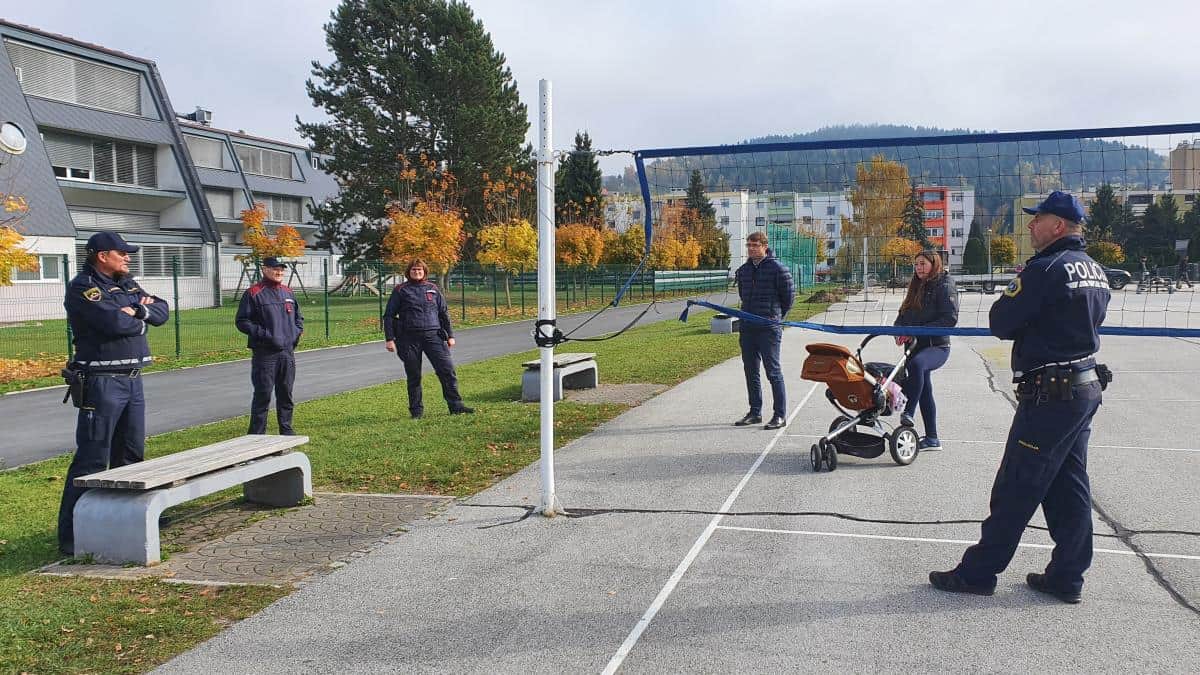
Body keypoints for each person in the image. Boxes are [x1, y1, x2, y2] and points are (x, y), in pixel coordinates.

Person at [930, 190, 1110, 603]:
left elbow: (1000, 322)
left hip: (1051, 395)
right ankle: (1067, 577)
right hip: (1082, 389)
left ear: (1058, 226)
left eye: (1038, 219)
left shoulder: (1045, 269)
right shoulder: (1094, 269)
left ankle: (979, 573)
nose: (1031, 225)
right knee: (1068, 486)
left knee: (1017, 485)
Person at [57, 232, 170, 556]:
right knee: (93, 458)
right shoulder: (84, 287)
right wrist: (139, 315)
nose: (128, 257)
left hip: (132, 380)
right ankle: (73, 534)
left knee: (131, 454)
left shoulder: (127, 284)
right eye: (122, 253)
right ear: (102, 256)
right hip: (102, 382)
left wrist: (138, 312)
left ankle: (130, 521)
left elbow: (162, 310)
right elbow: (113, 323)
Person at [383, 259, 473, 418]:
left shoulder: (433, 289)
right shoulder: (400, 290)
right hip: (408, 338)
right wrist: (389, 339)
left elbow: (443, 313)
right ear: (409, 272)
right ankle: (416, 412)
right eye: (413, 270)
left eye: (419, 270)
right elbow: (389, 315)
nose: (417, 272)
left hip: (434, 336)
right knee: (414, 375)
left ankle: (456, 406)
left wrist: (450, 335)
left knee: (447, 371)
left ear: (425, 272)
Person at [893, 250, 958, 451]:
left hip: (936, 346)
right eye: (916, 264)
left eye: (922, 263)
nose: (919, 268)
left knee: (917, 365)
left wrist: (918, 331)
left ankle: (908, 413)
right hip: (914, 346)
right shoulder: (915, 285)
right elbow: (902, 314)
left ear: (934, 264)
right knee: (924, 389)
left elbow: (950, 319)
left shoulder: (945, 284)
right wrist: (898, 331)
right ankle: (932, 439)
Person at [732, 231, 795, 430]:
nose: (751, 248)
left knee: (773, 372)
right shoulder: (743, 271)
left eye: (755, 245)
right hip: (748, 328)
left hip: (769, 329)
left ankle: (780, 415)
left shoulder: (778, 269)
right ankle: (755, 412)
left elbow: (788, 299)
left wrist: (775, 318)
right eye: (749, 245)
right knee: (751, 371)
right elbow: (743, 296)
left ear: (764, 247)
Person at [235, 256, 304, 435]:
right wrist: (265, 335)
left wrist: (295, 334)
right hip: (265, 355)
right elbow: (242, 321)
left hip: (287, 354)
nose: (279, 272)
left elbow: (298, 318)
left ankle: (286, 432)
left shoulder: (288, 292)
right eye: (275, 268)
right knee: (263, 396)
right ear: (264, 269)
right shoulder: (254, 293)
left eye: (281, 269)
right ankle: (256, 436)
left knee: (286, 394)